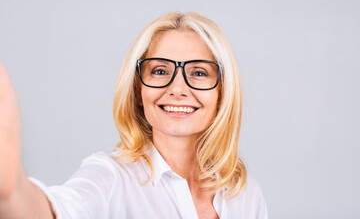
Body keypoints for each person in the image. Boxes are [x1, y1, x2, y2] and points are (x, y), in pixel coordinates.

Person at [0, 12, 268, 219]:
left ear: (222, 91)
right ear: (138, 90)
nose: (177, 89)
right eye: (160, 71)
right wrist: (13, 190)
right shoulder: (110, 177)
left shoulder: (244, 193)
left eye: (199, 73)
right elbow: (58, 209)